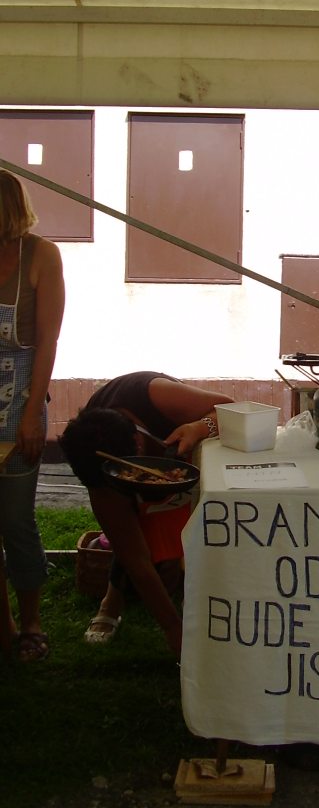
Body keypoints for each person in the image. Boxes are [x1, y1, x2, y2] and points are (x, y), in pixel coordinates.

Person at [58, 372, 233, 659]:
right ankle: (111, 602)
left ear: (138, 445)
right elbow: (135, 558)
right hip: (112, 463)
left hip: (190, 445)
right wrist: (172, 628)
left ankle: (192, 584)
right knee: (129, 537)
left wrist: (200, 427)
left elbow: (231, 409)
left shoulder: (154, 395)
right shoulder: (91, 457)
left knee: (180, 525)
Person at [0, 169, 66, 662]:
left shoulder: (41, 255)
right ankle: (3, 625)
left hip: (21, 396)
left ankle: (32, 623)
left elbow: (47, 342)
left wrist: (30, 416)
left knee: (16, 520)